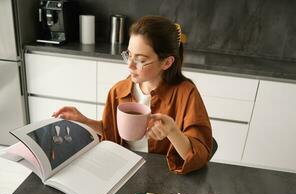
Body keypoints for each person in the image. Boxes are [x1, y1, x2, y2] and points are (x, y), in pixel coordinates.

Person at [52, 15, 212, 174]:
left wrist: (172, 131)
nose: (129, 65)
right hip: (123, 171)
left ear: (166, 62)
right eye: (129, 55)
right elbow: (111, 133)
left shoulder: (187, 94)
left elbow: (199, 156)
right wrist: (85, 121)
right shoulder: (118, 92)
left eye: (140, 60)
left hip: (164, 179)